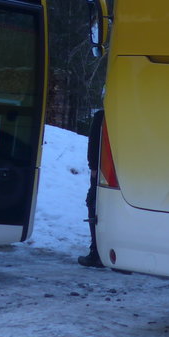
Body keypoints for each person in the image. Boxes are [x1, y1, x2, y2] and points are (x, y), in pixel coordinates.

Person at [77, 109, 105, 269]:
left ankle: (97, 252)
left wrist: (93, 166)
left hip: (104, 171)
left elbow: (93, 142)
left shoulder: (103, 115)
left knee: (94, 204)